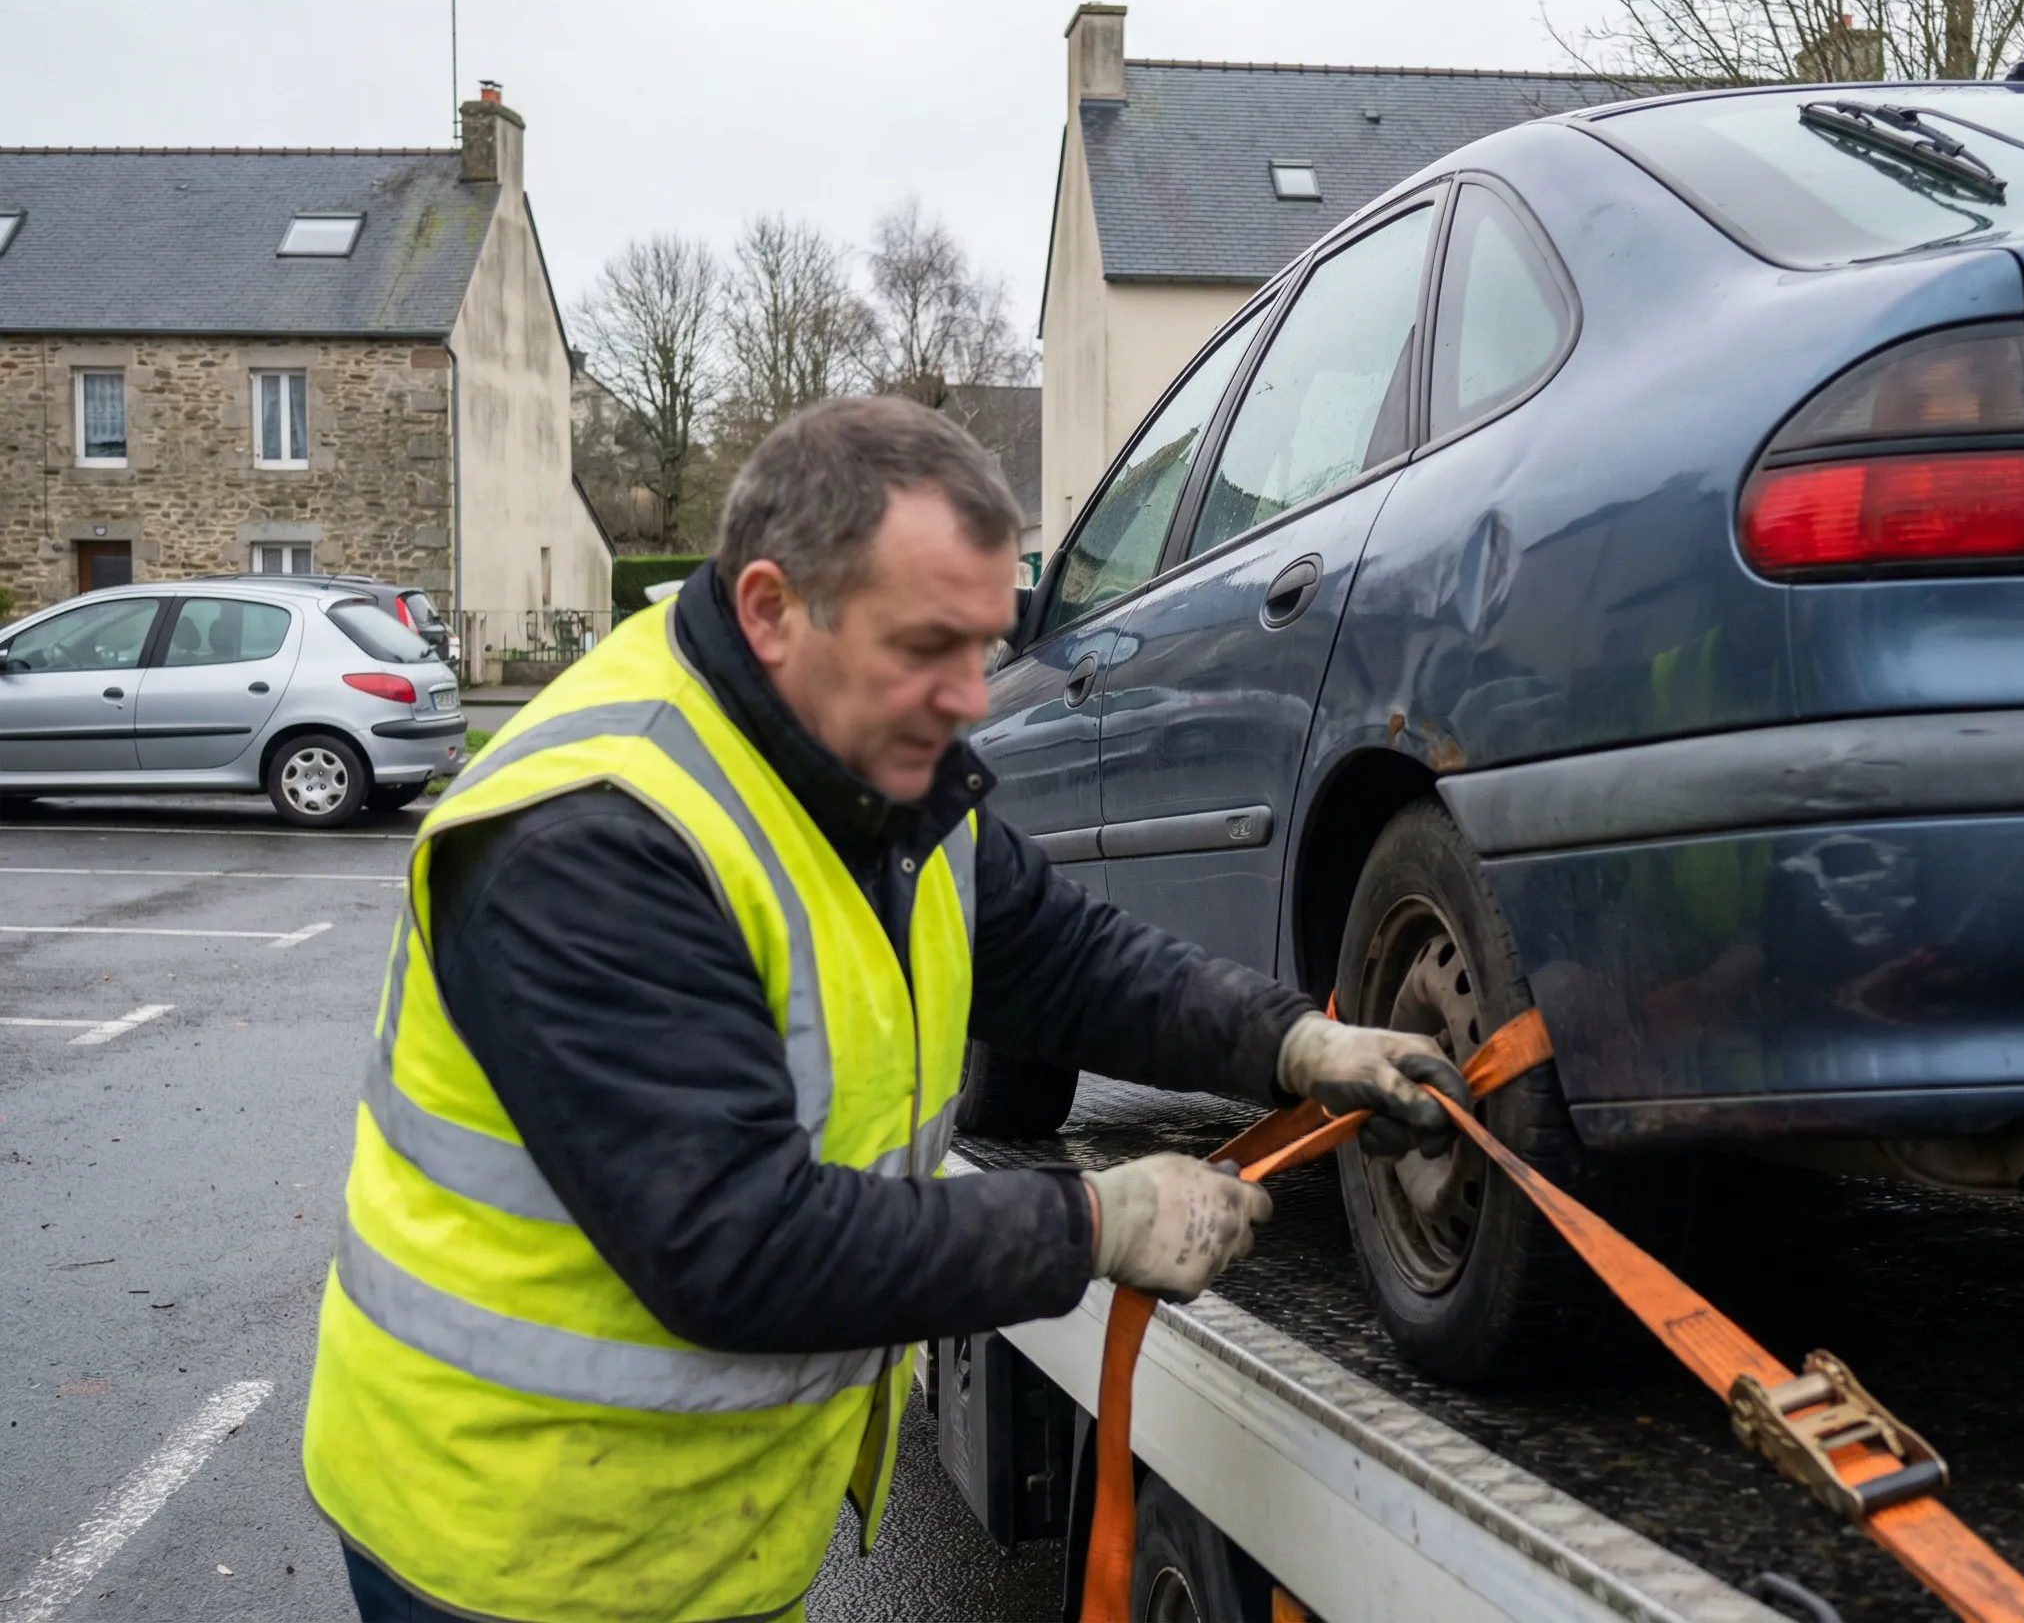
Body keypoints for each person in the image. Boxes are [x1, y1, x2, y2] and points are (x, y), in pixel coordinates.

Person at [302, 396, 1467, 1623]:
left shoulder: (864, 759)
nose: (971, 697)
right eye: (928, 646)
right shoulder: (593, 837)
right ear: (771, 608)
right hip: (511, 1543)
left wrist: (1294, 1041)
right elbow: (736, 1246)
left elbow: (1064, 959)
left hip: (690, 1539)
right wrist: (1097, 1221)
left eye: (985, 643)